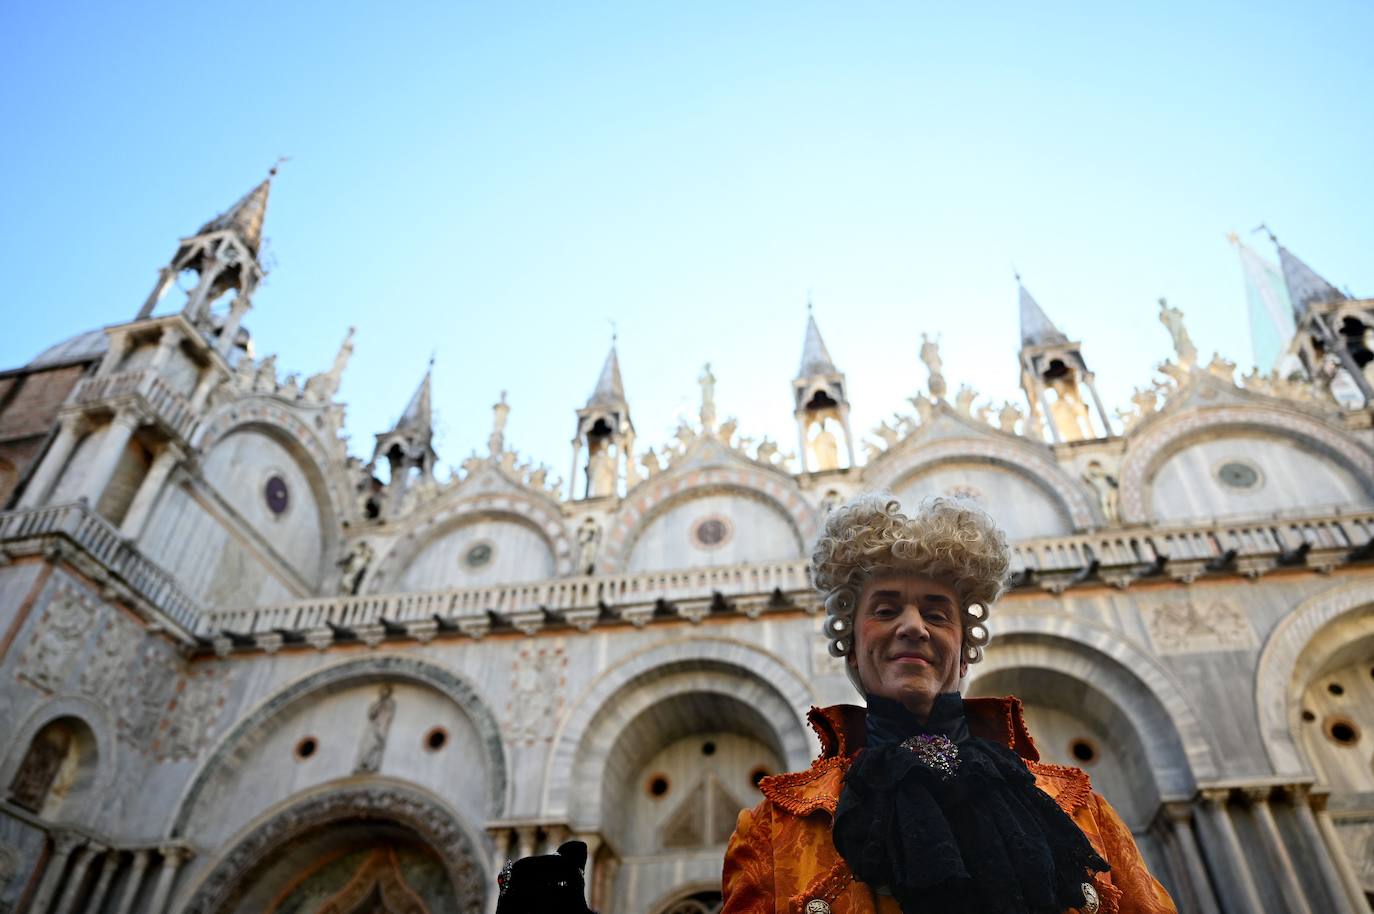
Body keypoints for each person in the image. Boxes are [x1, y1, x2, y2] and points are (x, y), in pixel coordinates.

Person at [721, 494, 1176, 914]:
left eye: (936, 614)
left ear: (962, 652)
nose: (913, 627)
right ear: (853, 647)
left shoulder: (1078, 810)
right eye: (885, 610)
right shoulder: (775, 831)